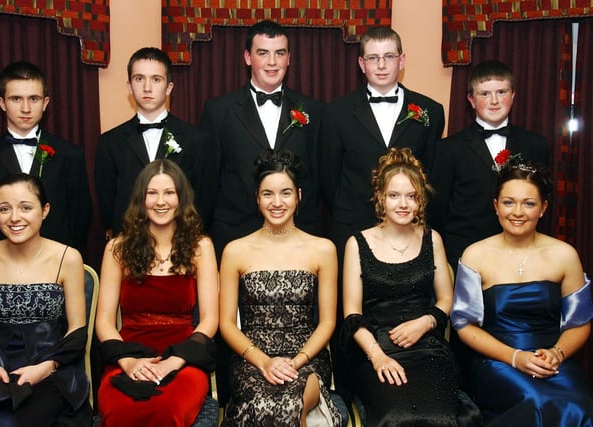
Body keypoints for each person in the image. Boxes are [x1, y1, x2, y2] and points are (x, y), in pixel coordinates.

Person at [340, 148, 481, 426]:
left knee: (446, 416)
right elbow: (352, 316)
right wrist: (378, 358)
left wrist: (425, 322)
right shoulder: (357, 243)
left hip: (428, 348)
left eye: (411, 196)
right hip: (376, 347)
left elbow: (446, 300)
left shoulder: (432, 239)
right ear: (381, 198)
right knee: (398, 416)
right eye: (394, 195)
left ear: (420, 200)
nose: (403, 204)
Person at [451, 157, 593, 426]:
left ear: (543, 208)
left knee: (579, 404)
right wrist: (515, 358)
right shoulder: (476, 254)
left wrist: (556, 353)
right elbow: (464, 325)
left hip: (552, 361)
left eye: (529, 203)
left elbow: (580, 323)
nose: (517, 212)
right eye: (508, 202)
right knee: (535, 401)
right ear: (496, 206)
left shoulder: (564, 255)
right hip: (498, 361)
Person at [0, 173, 91, 426]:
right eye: (4, 209)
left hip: (51, 369)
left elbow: (77, 331)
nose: (14, 218)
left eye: (25, 207)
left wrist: (44, 368)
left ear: (45, 209)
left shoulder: (68, 258)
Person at [219, 150, 342, 426]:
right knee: (262, 403)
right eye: (267, 194)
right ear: (257, 198)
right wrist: (263, 361)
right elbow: (226, 324)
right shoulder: (235, 251)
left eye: (285, 193)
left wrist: (297, 361)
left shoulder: (323, 249)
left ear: (299, 196)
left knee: (289, 403)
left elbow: (328, 322)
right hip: (251, 357)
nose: (277, 202)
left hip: (307, 356)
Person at [95, 159, 218, 426]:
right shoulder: (117, 248)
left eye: (169, 193)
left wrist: (173, 362)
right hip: (128, 355)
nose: (160, 201)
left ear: (181, 198)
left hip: (184, 358)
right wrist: (129, 363)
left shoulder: (201, 247)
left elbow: (209, 320)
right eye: (152, 193)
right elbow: (104, 321)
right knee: (120, 412)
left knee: (167, 409)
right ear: (141, 198)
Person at [320, 26, 445, 268]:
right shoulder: (336, 112)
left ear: (402, 60)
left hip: (408, 229)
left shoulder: (430, 111)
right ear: (361, 63)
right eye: (373, 58)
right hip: (352, 227)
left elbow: (428, 173)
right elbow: (329, 176)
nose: (381, 65)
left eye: (389, 57)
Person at [200, 20, 323, 261]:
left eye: (280, 53)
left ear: (289, 58)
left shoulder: (313, 110)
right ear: (248, 57)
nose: (272, 62)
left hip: (298, 238)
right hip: (236, 235)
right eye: (262, 53)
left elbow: (317, 178)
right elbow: (208, 181)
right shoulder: (219, 111)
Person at [428, 60, 549, 271]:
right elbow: (438, 212)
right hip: (465, 259)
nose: (494, 101)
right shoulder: (448, 149)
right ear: (471, 100)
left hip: (523, 257)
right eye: (484, 94)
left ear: (513, 95)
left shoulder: (535, 145)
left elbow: (542, 204)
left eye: (501, 92)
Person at [0, 61, 92, 249]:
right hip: (0, 262)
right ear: (2, 103)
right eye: (16, 99)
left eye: (33, 99)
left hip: (55, 261)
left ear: (45, 103)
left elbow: (80, 217)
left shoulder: (70, 155)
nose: (26, 108)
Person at [95, 47, 209, 240]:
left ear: (169, 87)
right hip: (129, 242)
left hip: (181, 241)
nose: (147, 87)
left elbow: (204, 196)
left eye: (156, 79)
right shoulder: (110, 142)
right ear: (129, 86)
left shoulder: (195, 139)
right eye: (139, 79)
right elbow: (107, 203)